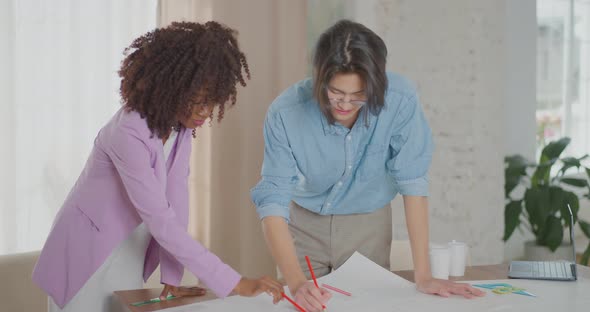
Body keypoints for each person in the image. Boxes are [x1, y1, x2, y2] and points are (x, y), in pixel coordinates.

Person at [33, 21, 283, 312]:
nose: (205, 112)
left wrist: (172, 274)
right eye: (198, 102)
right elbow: (160, 217)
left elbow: (177, 199)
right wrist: (234, 282)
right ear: (171, 88)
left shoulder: (180, 128)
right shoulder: (127, 132)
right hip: (84, 251)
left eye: (212, 103)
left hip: (130, 248)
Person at [251, 19, 485, 312]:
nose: (345, 105)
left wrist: (423, 275)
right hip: (304, 224)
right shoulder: (285, 113)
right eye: (335, 93)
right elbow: (273, 200)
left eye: (359, 95)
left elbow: (412, 181)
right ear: (319, 76)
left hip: (368, 223)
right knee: (304, 305)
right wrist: (297, 283)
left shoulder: (399, 100)